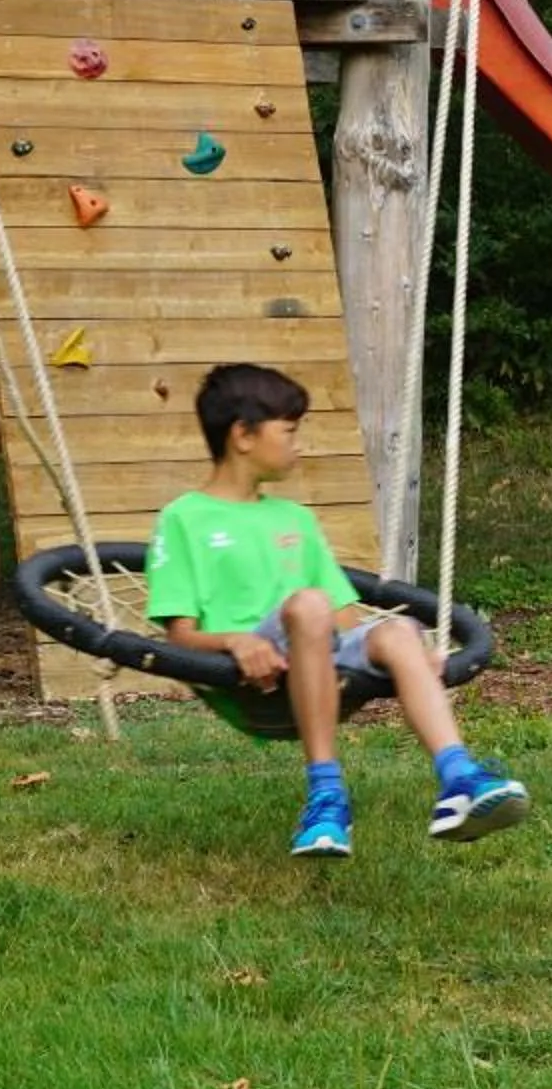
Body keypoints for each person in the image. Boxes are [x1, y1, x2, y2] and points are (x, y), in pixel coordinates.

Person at [147, 363, 528, 858]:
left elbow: (347, 621)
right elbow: (180, 639)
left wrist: (410, 650)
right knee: (309, 604)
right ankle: (326, 796)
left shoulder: (294, 519)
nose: (298, 444)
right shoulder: (184, 518)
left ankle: (459, 778)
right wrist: (234, 641)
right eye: (289, 430)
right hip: (247, 680)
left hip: (319, 655)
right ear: (242, 435)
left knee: (394, 631)